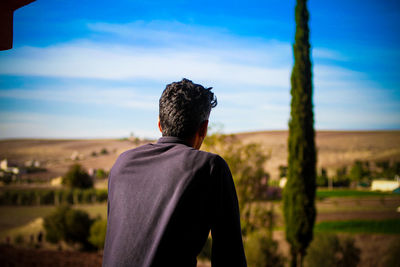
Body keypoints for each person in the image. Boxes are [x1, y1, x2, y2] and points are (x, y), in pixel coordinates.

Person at [103, 78, 247, 267]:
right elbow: (230, 258)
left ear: (160, 125)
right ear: (203, 129)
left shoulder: (122, 164)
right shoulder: (211, 168)